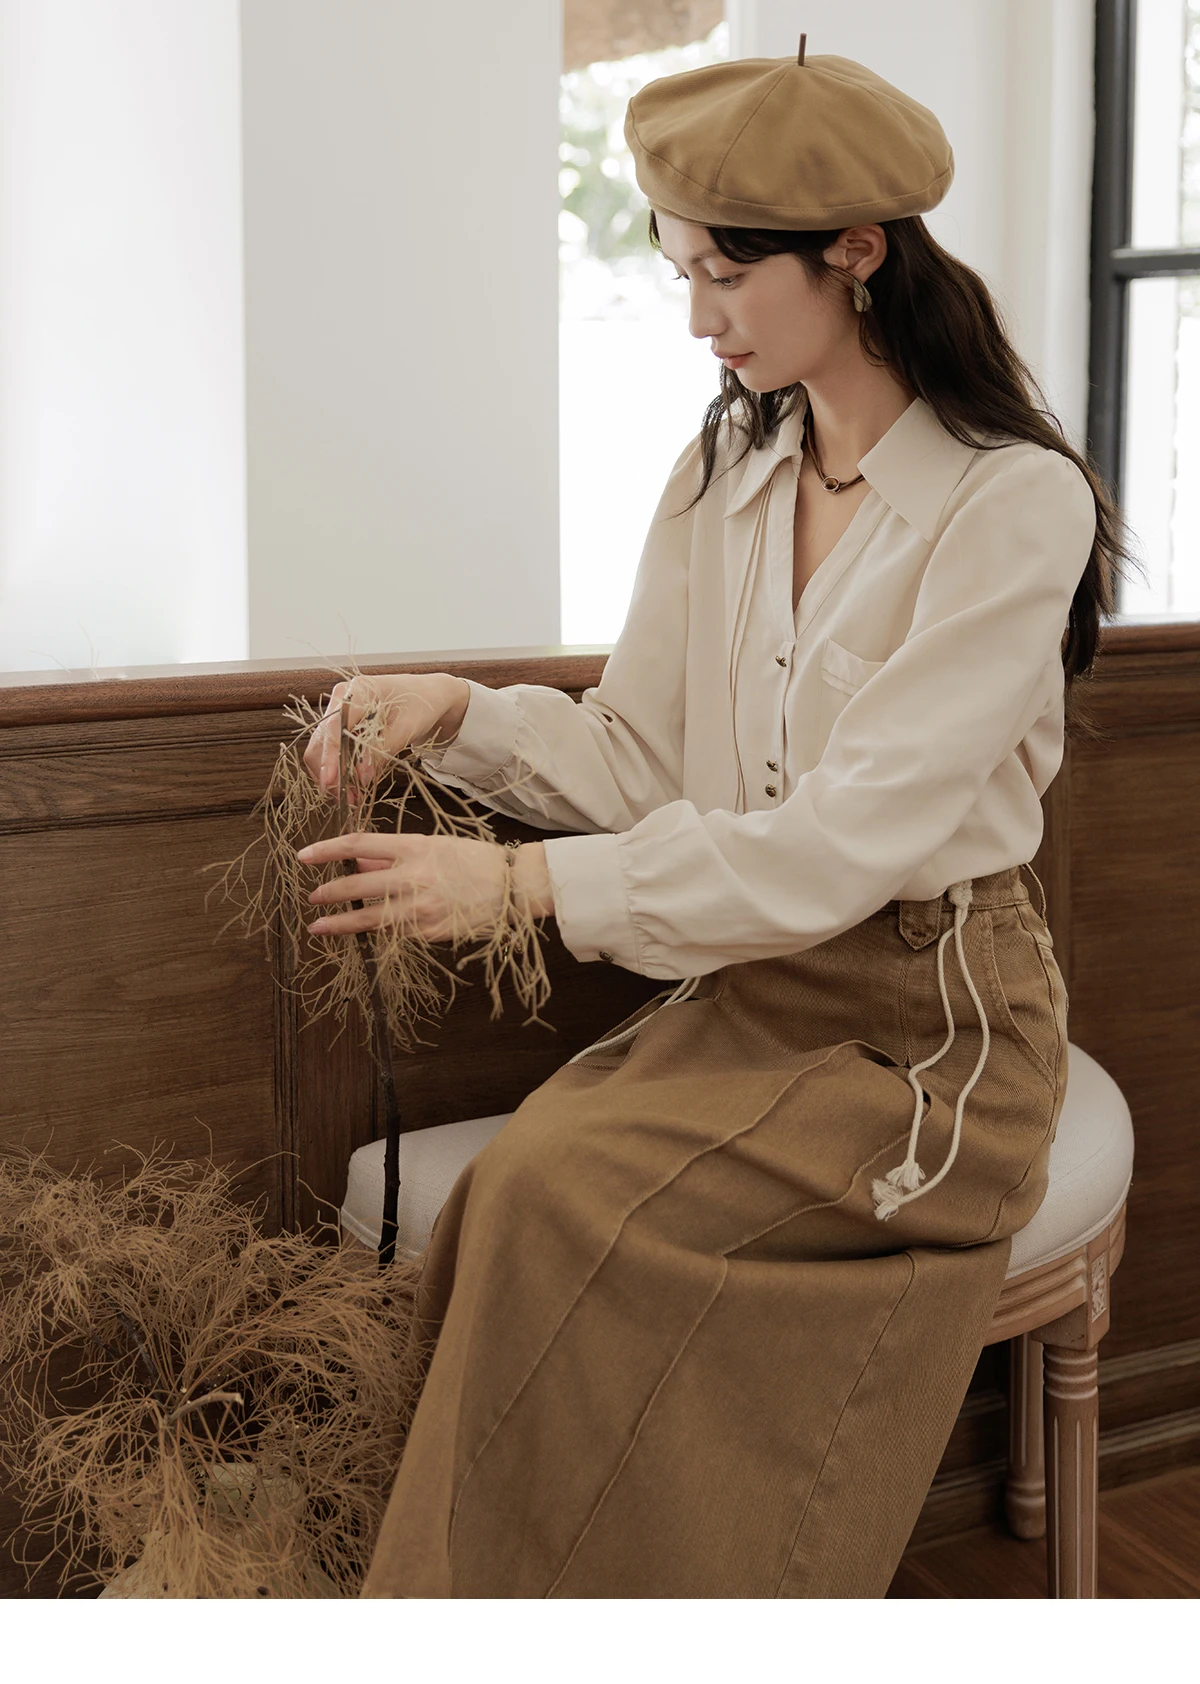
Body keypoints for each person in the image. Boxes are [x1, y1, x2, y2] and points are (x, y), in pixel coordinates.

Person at [296, 45, 1131, 1597]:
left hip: (934, 1027)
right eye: (682, 270)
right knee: (516, 1198)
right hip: (757, 997)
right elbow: (645, 754)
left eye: (727, 275)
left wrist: (522, 889)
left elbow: (845, 842)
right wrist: (459, 712)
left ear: (857, 255)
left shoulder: (1012, 503)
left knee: (564, 1201)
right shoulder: (725, 465)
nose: (697, 317)